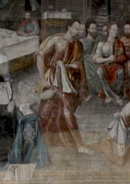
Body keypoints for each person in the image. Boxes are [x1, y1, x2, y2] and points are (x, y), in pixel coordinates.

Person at [35, 20, 90, 153]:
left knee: (65, 109)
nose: (79, 31)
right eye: (76, 28)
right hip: (53, 80)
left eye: (81, 29)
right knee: (46, 111)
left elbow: (80, 65)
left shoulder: (78, 45)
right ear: (69, 27)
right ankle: (38, 142)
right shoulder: (55, 40)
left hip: (67, 83)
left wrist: (71, 69)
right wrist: (42, 80)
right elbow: (40, 56)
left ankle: (78, 145)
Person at [93, 22, 128, 104]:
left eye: (116, 29)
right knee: (99, 71)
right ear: (109, 30)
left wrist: (115, 59)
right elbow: (95, 59)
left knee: (121, 72)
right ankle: (111, 96)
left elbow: (124, 57)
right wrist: (108, 59)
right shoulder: (102, 43)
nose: (115, 31)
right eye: (113, 29)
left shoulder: (120, 43)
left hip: (116, 66)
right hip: (105, 66)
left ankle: (115, 93)